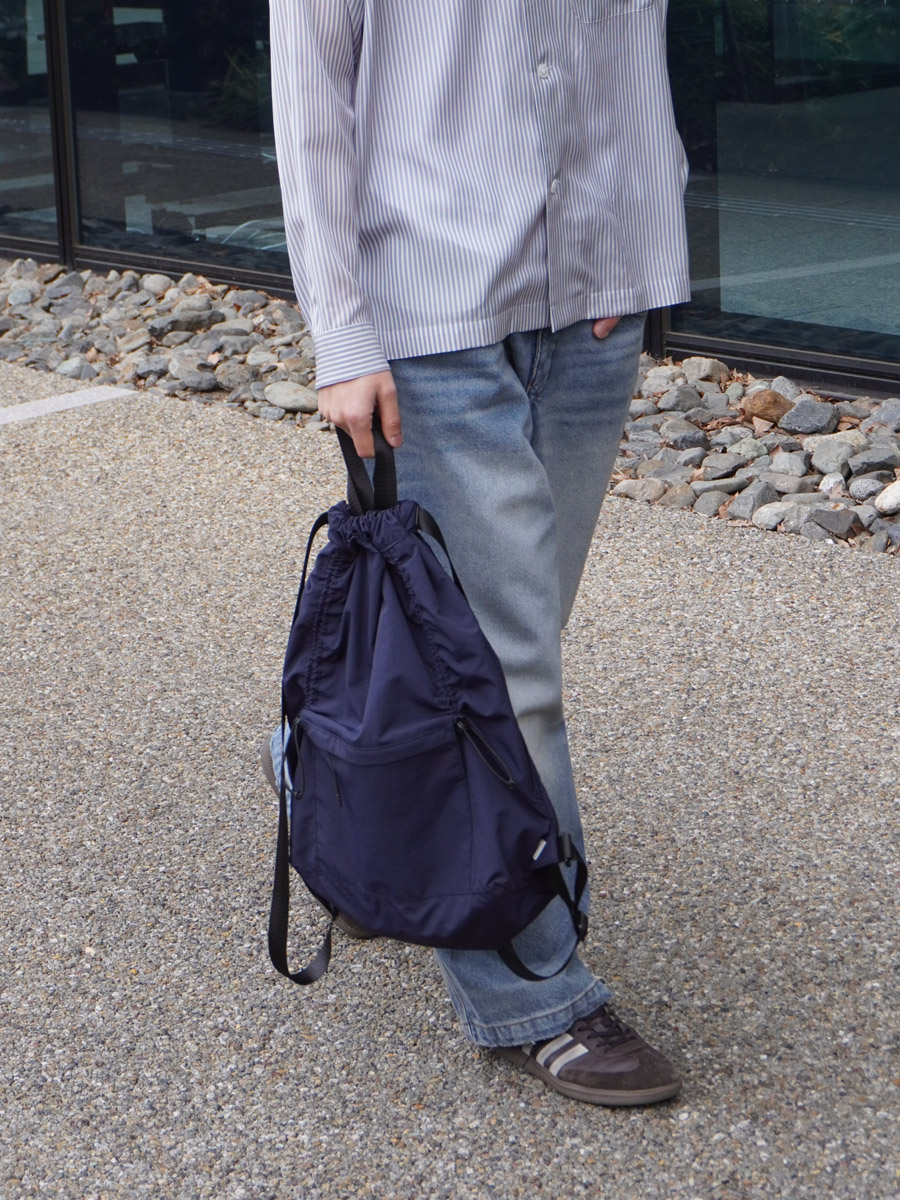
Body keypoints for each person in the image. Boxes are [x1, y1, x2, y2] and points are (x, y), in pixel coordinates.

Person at [267, 0, 691, 1106]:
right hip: (429, 316)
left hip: (593, 309)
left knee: (507, 644)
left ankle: (341, 773)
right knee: (507, 675)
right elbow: (311, 98)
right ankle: (535, 992)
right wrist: (342, 335)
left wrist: (628, 239)